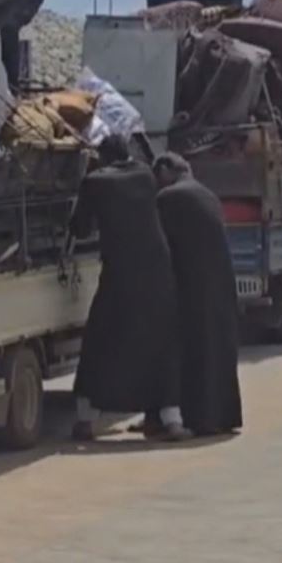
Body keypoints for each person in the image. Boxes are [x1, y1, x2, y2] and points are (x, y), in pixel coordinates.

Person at [70, 135, 189, 442]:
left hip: (120, 272)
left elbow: (79, 228)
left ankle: (85, 420)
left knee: (101, 342)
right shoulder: (145, 174)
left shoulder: (94, 182)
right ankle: (172, 420)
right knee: (162, 343)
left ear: (102, 158)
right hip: (158, 271)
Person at [152, 152, 244, 437]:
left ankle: (196, 418)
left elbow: (158, 246)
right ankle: (222, 416)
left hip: (192, 287)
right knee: (217, 351)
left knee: (192, 353)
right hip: (220, 285)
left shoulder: (168, 199)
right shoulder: (208, 195)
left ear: (167, 170)